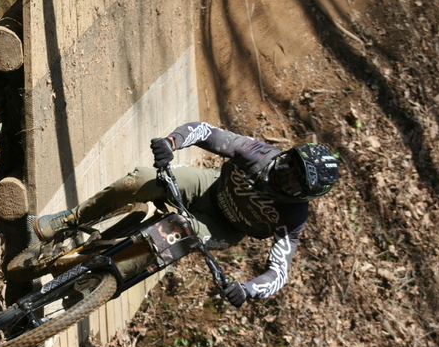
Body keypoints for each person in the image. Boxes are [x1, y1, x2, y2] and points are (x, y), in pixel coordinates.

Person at [33, 121, 340, 307]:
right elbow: (206, 131)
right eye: (289, 165)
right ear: (288, 154)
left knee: (175, 234)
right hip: (208, 189)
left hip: (220, 227)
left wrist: (247, 290)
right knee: (139, 180)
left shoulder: (294, 217)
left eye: (293, 181)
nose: (283, 175)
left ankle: (94, 284)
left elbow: (279, 273)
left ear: (304, 196)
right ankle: (70, 219)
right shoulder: (257, 153)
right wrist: (171, 142)